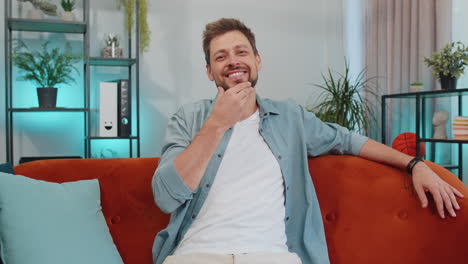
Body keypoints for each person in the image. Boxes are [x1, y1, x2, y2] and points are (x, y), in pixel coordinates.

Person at [151, 18, 464, 264]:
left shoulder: (291, 118)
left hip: (271, 257)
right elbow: (166, 196)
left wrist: (415, 163)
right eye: (221, 56)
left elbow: (349, 140)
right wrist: (217, 123)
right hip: (196, 256)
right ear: (210, 71)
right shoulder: (188, 119)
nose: (233, 61)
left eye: (241, 52)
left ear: (258, 61)